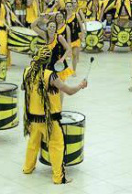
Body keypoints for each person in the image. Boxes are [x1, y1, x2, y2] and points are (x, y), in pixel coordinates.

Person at [22, 46, 88, 184]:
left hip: (33, 118)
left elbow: (24, 87)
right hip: (49, 120)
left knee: (33, 143)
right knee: (57, 146)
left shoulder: (27, 71)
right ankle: (59, 177)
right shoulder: (51, 76)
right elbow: (69, 91)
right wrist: (80, 85)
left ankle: (27, 168)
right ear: (48, 60)